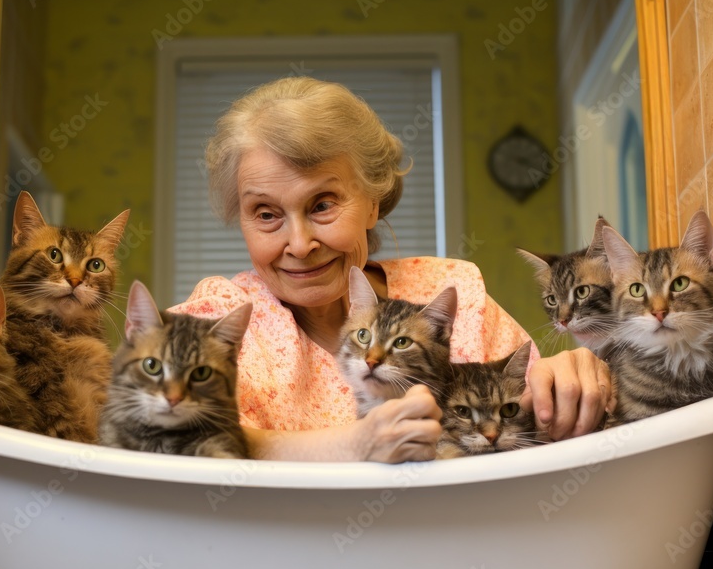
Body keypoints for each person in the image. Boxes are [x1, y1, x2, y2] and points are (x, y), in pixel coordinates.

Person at [171, 77, 613, 462]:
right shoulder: (220, 318)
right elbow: (172, 438)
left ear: (373, 202)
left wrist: (573, 378)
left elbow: (539, 425)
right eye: (265, 214)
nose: (300, 245)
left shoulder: (450, 290)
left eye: (322, 205)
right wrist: (355, 446)